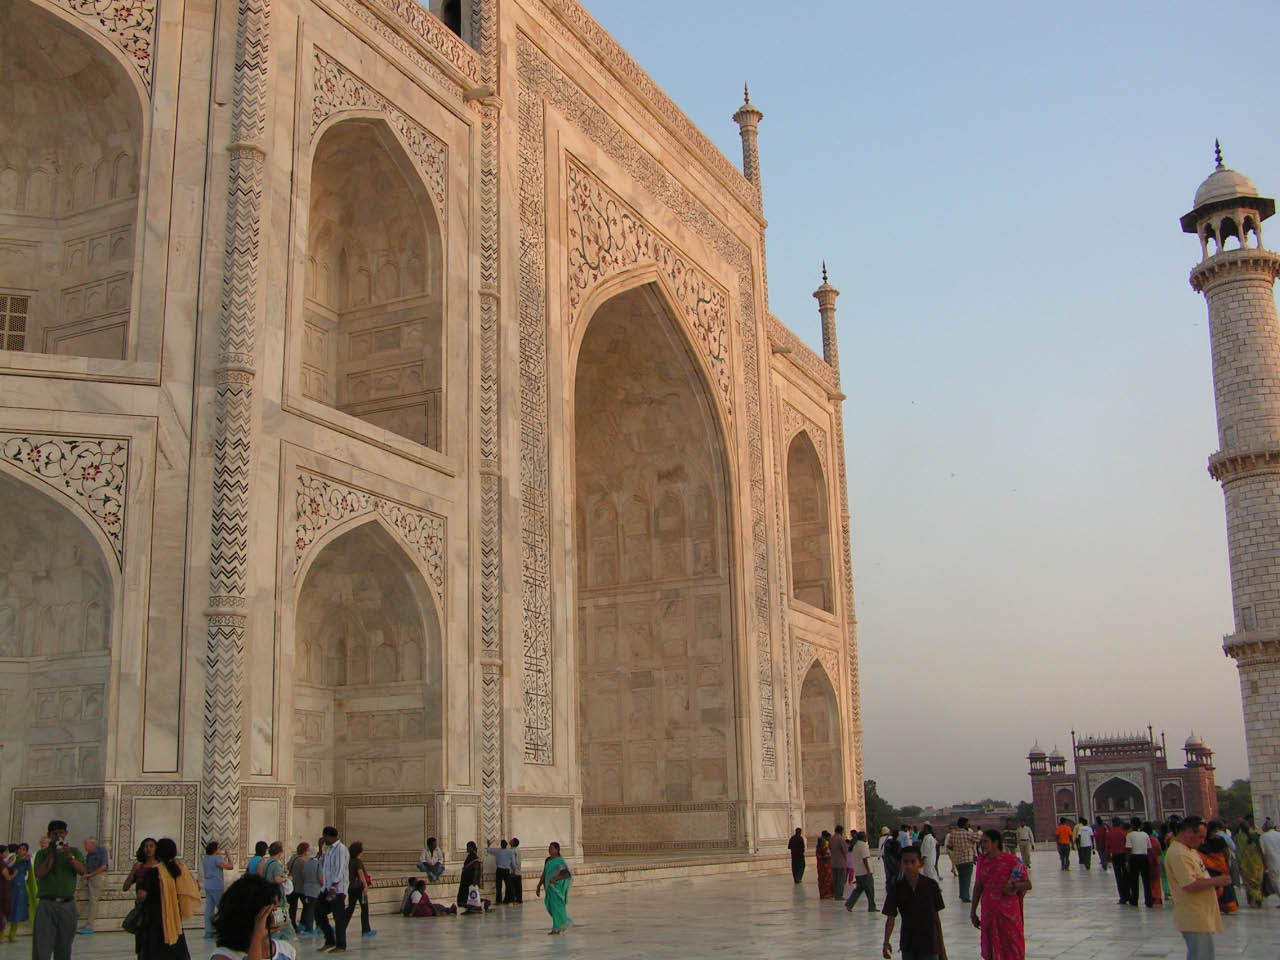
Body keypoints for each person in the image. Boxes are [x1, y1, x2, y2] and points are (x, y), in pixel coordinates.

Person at [1164, 817, 1229, 960]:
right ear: (1188, 832)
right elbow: (1189, 884)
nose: (1202, 842)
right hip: (1194, 916)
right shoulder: (1179, 853)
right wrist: (1216, 881)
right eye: (1200, 837)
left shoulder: (1190, 850)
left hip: (1201, 914)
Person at [133, 837, 198, 960]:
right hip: (173, 917)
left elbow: (142, 895)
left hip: (154, 918)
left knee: (154, 950)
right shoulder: (179, 870)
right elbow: (194, 887)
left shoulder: (153, 872)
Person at [971, 829, 1030, 960]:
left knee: (1011, 947)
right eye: (982, 842)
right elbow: (978, 886)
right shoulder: (982, 861)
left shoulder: (1012, 861)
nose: (982, 845)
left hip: (1008, 913)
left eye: (986, 841)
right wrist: (973, 911)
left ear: (995, 843)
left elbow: (1027, 884)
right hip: (989, 912)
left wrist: (1013, 886)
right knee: (991, 948)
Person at [32, 820, 86, 960]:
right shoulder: (42, 854)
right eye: (54, 834)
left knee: (64, 948)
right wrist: (52, 855)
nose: (58, 836)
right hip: (47, 904)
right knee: (42, 948)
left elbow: (82, 871)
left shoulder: (74, 852)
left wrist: (69, 857)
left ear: (66, 833)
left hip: (67, 905)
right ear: (49, 835)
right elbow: (40, 874)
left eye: (61, 833)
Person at [881, 846, 946, 960]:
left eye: (912, 862)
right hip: (908, 945)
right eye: (905, 862)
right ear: (900, 865)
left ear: (920, 864)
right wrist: (886, 942)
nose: (909, 866)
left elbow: (936, 920)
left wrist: (942, 950)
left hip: (930, 944)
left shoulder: (931, 886)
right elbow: (890, 918)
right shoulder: (896, 888)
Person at [209, 874, 291, 960]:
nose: (280, 913)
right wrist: (257, 936)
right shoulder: (222, 956)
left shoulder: (286, 951)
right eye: (272, 908)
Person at [314, 825, 349, 953]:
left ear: (330, 836)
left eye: (324, 837)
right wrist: (320, 848)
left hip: (337, 890)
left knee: (338, 917)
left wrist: (334, 887)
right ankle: (329, 940)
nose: (323, 839)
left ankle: (341, 945)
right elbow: (322, 864)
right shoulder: (329, 850)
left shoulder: (341, 849)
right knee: (318, 912)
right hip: (326, 888)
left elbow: (339, 869)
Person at [1198, 821, 1237, 914]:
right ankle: (1227, 906)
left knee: (1212, 887)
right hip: (1220, 866)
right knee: (1224, 887)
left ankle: (1214, 905)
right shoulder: (1220, 839)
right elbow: (1226, 853)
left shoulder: (1203, 840)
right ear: (1216, 829)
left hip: (1208, 867)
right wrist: (1226, 864)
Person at [535, 842, 571, 934]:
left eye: (551, 848)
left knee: (557, 908)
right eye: (549, 848)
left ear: (557, 850)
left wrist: (556, 878)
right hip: (549, 888)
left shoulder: (560, 861)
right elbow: (544, 873)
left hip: (556, 889)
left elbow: (566, 874)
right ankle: (560, 925)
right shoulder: (548, 860)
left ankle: (556, 928)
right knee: (551, 907)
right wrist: (539, 885)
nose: (549, 850)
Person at [201, 842, 234, 939]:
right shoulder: (216, 859)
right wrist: (228, 855)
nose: (219, 850)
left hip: (208, 885)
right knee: (222, 907)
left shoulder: (206, 859)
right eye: (218, 848)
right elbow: (230, 866)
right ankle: (224, 930)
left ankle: (208, 931)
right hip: (216, 885)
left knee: (209, 909)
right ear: (215, 850)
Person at [77, 838, 108, 934]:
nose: (84, 847)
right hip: (89, 876)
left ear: (92, 845)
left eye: (86, 845)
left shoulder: (101, 851)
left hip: (98, 876)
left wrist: (90, 875)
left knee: (93, 901)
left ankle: (90, 925)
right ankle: (84, 922)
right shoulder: (88, 855)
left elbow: (103, 867)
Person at [342, 840, 373, 938]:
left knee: (350, 908)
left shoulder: (348, 861)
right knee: (364, 909)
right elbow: (360, 874)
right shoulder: (358, 862)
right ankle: (366, 930)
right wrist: (365, 886)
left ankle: (341, 926)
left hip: (351, 888)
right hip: (360, 888)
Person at [944, 818, 979, 904]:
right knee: (967, 879)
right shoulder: (968, 833)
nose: (968, 825)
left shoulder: (952, 834)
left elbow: (949, 846)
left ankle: (962, 895)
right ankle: (965, 896)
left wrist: (956, 849)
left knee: (961, 877)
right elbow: (979, 839)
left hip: (958, 860)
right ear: (964, 824)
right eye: (967, 823)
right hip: (967, 859)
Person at [5, 843, 33, 942]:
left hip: (20, 888)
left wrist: (26, 860)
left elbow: (28, 870)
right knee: (7, 909)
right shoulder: (13, 858)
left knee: (17, 910)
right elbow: (8, 867)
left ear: (26, 851)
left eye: (24, 849)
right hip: (10, 886)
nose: (21, 851)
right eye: (20, 849)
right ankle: (1, 935)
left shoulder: (26, 861)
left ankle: (12, 935)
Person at [1124, 817, 1154, 908]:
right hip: (1144, 857)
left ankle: (1134, 900)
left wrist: (1127, 862)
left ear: (1132, 825)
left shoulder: (1129, 835)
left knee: (1134, 880)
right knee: (1146, 880)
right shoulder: (1145, 834)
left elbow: (1128, 849)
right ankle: (1149, 900)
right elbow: (1149, 848)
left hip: (1134, 858)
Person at [1234, 818, 1264, 909]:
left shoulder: (1238, 838)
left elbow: (1237, 851)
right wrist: (1264, 862)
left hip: (1245, 863)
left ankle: (1253, 900)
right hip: (1257, 862)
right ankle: (1258, 899)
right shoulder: (1255, 836)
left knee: (1249, 884)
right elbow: (1260, 849)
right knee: (1257, 883)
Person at [844, 830, 876, 913]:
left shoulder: (856, 845)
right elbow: (865, 858)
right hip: (864, 872)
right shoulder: (863, 845)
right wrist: (868, 870)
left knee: (858, 889)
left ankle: (849, 904)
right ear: (863, 837)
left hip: (858, 872)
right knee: (870, 890)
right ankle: (872, 907)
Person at [457, 842, 488, 913]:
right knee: (466, 895)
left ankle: (482, 903)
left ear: (471, 848)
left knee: (468, 895)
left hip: (470, 880)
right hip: (466, 879)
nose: (467, 849)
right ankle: (471, 907)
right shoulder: (470, 856)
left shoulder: (473, 856)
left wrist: (474, 879)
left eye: (468, 847)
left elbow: (476, 868)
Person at [285, 844, 308, 932]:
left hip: (292, 886)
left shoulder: (292, 858)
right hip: (300, 888)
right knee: (307, 905)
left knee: (292, 907)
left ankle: (292, 924)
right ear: (305, 851)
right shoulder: (302, 861)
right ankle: (302, 924)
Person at [1107, 818, 1130, 905]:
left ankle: (1122, 897)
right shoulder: (1124, 833)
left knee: (1118, 877)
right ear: (1120, 824)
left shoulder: (1109, 833)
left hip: (1115, 856)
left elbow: (1107, 846)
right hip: (1124, 856)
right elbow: (1127, 846)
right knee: (1126, 876)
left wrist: (1108, 857)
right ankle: (1128, 895)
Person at [486, 839, 513, 905]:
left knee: (499, 886)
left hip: (499, 870)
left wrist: (488, 845)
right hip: (506, 870)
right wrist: (513, 869)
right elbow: (513, 862)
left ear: (501, 845)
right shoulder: (510, 852)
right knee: (508, 885)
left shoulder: (498, 851)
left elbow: (489, 851)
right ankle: (507, 899)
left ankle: (499, 900)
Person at [1260, 820, 1280, 907]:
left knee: (1276, 882)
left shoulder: (1263, 837)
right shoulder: (1279, 834)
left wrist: (1264, 864)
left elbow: (1262, 852)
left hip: (1272, 862)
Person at [830, 826, 849, 901]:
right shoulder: (840, 839)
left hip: (833, 862)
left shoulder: (831, 838)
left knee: (835, 879)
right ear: (841, 831)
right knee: (840, 880)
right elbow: (845, 850)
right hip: (841, 862)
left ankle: (835, 894)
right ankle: (839, 895)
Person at [815, 831, 833, 899]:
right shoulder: (823, 848)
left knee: (822, 880)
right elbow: (825, 857)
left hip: (821, 867)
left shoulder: (818, 848)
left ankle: (823, 893)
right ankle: (826, 893)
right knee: (826, 880)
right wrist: (829, 856)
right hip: (825, 867)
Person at [506, 838, 523, 904]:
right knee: (518, 886)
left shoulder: (512, 851)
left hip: (513, 871)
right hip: (518, 871)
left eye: (512, 840)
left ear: (513, 843)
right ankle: (519, 899)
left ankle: (514, 899)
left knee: (513, 886)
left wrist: (513, 870)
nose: (510, 841)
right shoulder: (518, 850)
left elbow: (514, 861)